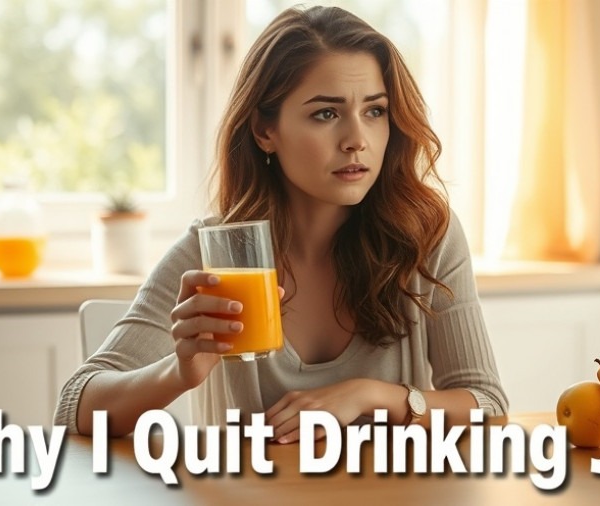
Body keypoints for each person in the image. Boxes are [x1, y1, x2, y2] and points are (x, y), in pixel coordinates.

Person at [54, 5, 507, 442]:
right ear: (264, 131)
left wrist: (372, 395)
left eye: (375, 110)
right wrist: (178, 370)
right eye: (325, 114)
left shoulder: (426, 236)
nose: (356, 140)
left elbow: (490, 406)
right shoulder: (214, 252)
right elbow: (74, 406)